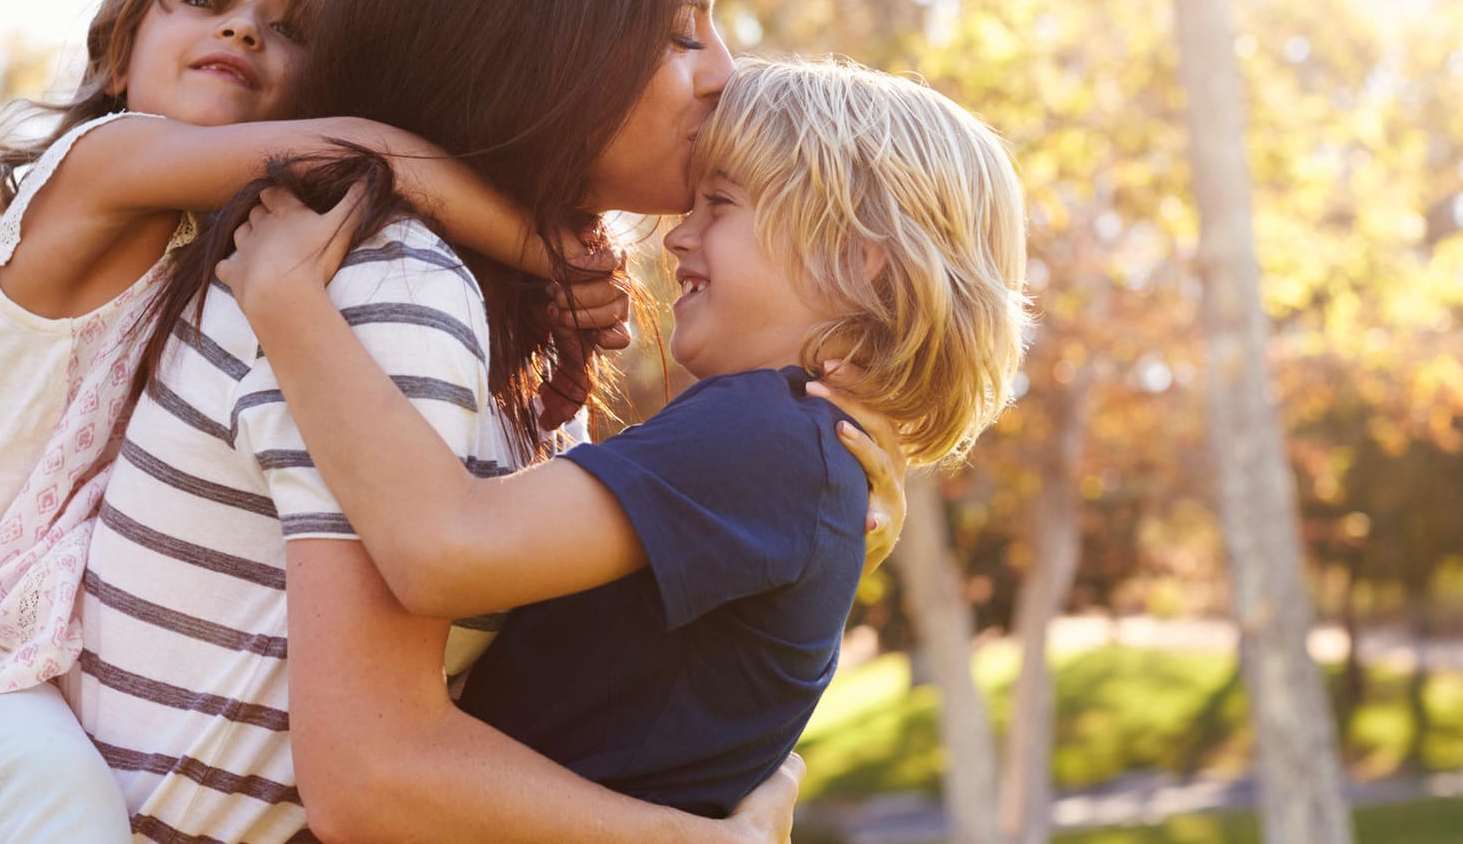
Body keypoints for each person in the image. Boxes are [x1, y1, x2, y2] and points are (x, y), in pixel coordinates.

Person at [70, 0, 902, 843]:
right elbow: (376, 777)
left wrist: (800, 497)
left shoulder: (492, 306)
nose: (725, 72)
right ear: (544, 42)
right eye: (685, 30)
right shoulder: (386, 286)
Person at [0, 0, 609, 844]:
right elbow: (363, 153)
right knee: (60, 795)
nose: (244, 30)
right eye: (205, 2)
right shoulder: (94, 165)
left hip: (30, 671)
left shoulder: (225, 252)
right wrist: (549, 254)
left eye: (288, 27)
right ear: (117, 57)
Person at [223, 55, 1030, 816]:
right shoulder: (798, 451)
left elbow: (443, 547)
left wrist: (287, 298)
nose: (678, 235)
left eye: (721, 203)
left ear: (860, 264)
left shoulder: (765, 433)